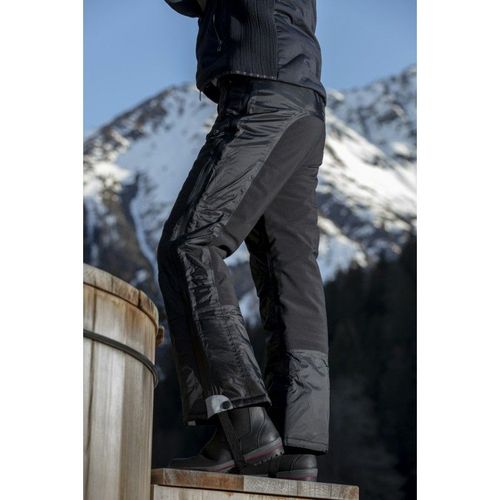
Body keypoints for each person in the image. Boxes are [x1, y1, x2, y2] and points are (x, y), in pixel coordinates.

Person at [157, 0, 330, 481]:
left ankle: (242, 421)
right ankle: (294, 444)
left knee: (190, 244)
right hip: (302, 95)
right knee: (288, 268)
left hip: (261, 88)